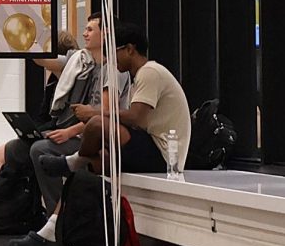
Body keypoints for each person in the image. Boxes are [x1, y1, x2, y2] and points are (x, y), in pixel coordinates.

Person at [8, 14, 130, 246]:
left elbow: (102, 116)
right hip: (78, 131)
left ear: (106, 34)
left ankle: (59, 221)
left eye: (90, 29)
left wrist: (69, 131)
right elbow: (45, 60)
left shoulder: (113, 69)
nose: (84, 33)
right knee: (19, 147)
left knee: (40, 149)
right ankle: (42, 217)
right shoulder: (81, 61)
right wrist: (25, 39)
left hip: (93, 137)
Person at [39, 20, 192, 181]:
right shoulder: (140, 77)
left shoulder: (150, 72)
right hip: (150, 146)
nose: (111, 60)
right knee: (99, 159)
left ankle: (72, 162)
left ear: (130, 50)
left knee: (97, 124)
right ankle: (74, 171)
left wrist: (93, 112)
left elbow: (135, 117)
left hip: (163, 155)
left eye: (114, 53)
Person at [0, 29, 78, 180]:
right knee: (1, 154)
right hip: (51, 133)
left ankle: (1, 197)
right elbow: (44, 116)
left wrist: (25, 41)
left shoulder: (69, 68)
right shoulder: (54, 81)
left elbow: (40, 58)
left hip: (59, 136)